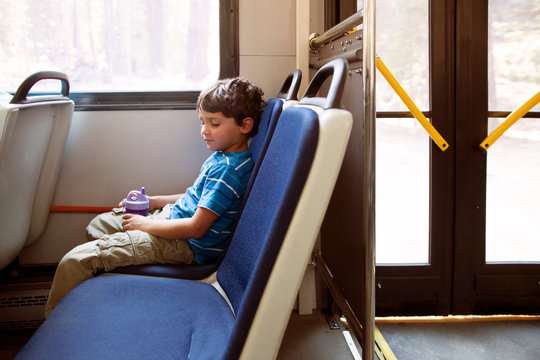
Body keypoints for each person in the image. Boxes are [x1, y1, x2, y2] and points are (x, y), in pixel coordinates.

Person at [45, 78, 266, 317]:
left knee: (75, 260)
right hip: (172, 219)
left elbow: (196, 227)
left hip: (185, 245)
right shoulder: (223, 157)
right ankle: (115, 287)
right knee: (99, 224)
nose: (204, 130)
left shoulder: (228, 171)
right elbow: (197, 197)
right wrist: (154, 201)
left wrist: (147, 225)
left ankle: (57, 323)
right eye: (202, 122)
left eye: (214, 123)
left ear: (244, 125)